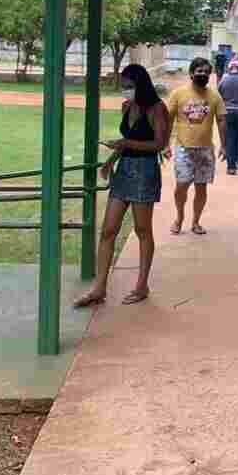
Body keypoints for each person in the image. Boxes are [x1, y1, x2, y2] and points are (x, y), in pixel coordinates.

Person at [73, 64, 170, 308]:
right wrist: (110, 161)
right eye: (123, 86)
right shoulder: (127, 107)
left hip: (145, 172)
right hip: (125, 170)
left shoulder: (157, 109)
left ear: (141, 84)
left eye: (129, 86)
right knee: (108, 230)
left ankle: (141, 285)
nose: (125, 91)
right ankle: (99, 288)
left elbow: (159, 144)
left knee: (142, 230)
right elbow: (126, 145)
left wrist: (126, 142)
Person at [164, 57, 226, 236]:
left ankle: (196, 222)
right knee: (181, 185)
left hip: (205, 150)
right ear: (191, 73)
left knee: (201, 187)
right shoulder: (178, 94)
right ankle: (179, 218)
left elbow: (221, 120)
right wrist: (165, 144)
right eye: (199, 71)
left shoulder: (215, 96)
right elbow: (168, 121)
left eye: (206, 72)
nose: (203, 75)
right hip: (184, 149)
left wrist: (224, 145)